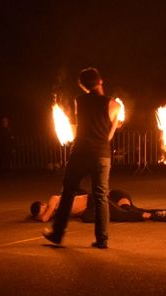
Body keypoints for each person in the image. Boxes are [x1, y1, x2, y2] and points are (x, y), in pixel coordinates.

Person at [42, 67, 121, 249]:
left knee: (68, 192)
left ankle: (57, 234)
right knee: (101, 196)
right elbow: (109, 135)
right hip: (101, 154)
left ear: (84, 87)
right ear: (100, 80)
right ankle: (102, 239)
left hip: (81, 152)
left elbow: (86, 123)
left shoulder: (80, 101)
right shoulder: (115, 105)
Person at [31, 189, 166, 223]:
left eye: (43, 210)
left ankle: (161, 216)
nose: (46, 213)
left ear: (43, 204)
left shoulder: (53, 200)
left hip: (93, 200)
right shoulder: (57, 209)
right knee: (126, 211)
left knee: (122, 215)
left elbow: (45, 219)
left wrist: (38, 217)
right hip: (91, 206)